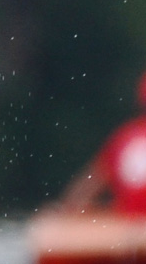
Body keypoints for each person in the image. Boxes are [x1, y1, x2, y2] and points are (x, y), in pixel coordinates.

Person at [57, 71, 146, 218]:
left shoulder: (125, 137)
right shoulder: (125, 138)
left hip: (126, 223)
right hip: (131, 226)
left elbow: (82, 194)